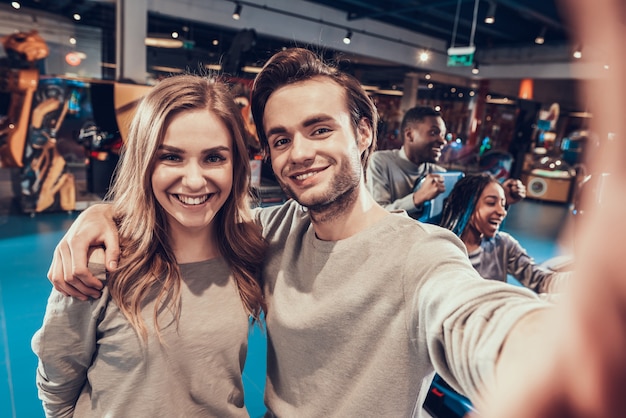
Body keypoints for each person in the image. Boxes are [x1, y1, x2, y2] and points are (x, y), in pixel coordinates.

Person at [46, 46, 626, 418]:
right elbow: (186, 214)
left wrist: (548, 349)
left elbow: (469, 311)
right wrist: (101, 216)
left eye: (319, 128)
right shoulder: (268, 234)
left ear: (365, 132)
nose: (299, 153)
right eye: (280, 139)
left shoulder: (420, 254)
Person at [31, 74, 267, 417]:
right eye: (171, 157)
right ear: (144, 162)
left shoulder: (249, 249)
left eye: (214, 158)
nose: (194, 180)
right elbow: (58, 383)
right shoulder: (99, 262)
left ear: (236, 165)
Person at [366, 105, 526, 222]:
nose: (442, 141)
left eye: (443, 135)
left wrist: (502, 195)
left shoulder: (439, 173)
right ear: (410, 135)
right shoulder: (380, 162)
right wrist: (417, 198)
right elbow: (377, 215)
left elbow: (468, 207)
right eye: (434, 133)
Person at [440, 172, 567, 294]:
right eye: (491, 203)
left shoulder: (503, 244)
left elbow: (541, 280)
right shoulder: (443, 250)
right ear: (466, 205)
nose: (502, 212)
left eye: (503, 204)